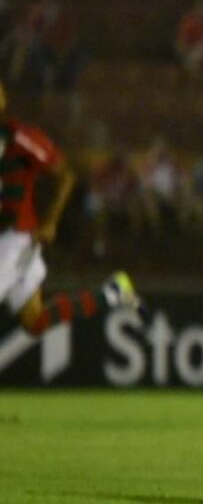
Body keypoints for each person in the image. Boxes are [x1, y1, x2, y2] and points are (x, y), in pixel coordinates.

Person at [0, 78, 141, 338]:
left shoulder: (21, 137)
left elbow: (65, 175)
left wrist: (50, 221)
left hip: (14, 237)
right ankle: (114, 292)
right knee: (35, 322)